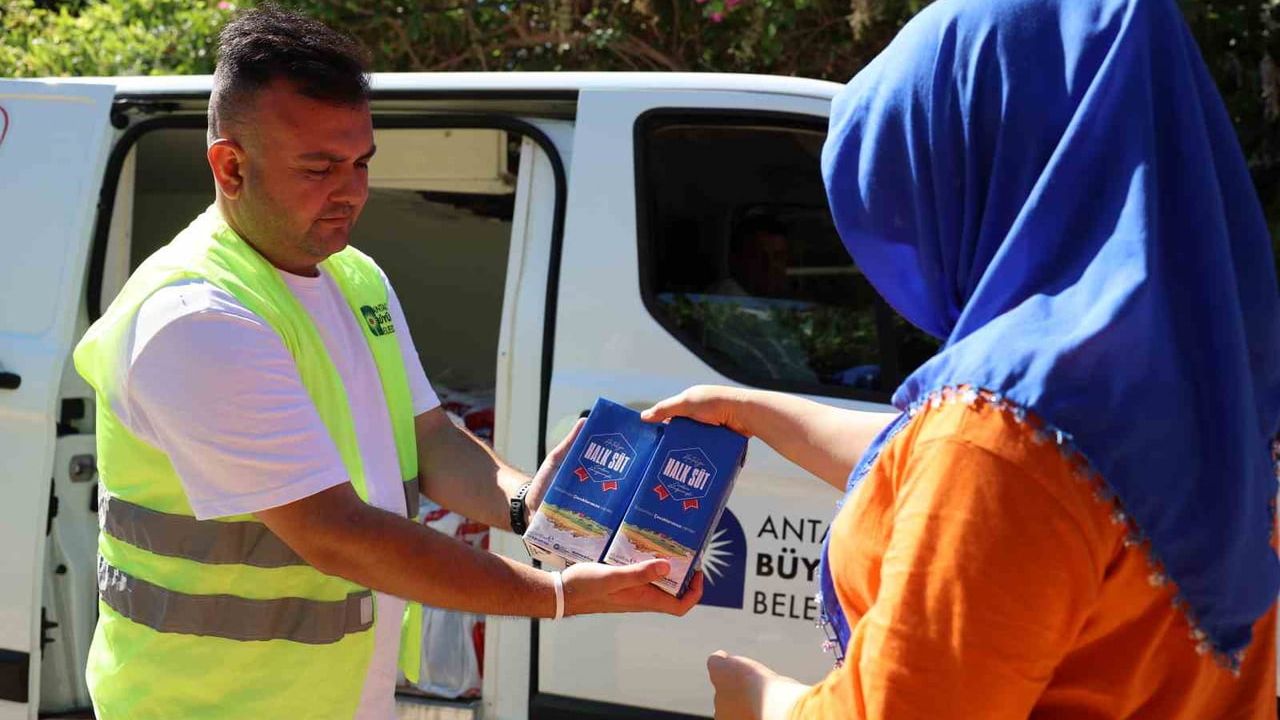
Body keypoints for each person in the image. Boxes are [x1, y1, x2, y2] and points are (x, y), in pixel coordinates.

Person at [644, 0, 1280, 716]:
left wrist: (762, 699)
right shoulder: (1202, 387)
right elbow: (954, 466)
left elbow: (993, 467)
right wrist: (754, 410)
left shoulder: (1003, 427)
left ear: (979, 157)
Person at [74, 7, 700, 719]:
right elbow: (340, 535)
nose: (351, 191)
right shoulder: (197, 319)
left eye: (362, 162)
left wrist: (527, 505)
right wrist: (555, 595)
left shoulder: (353, 276)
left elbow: (428, 436)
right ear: (231, 165)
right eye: (320, 168)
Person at [709, 216, 790, 298]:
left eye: (779, 257)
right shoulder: (728, 298)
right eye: (759, 257)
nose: (770, 265)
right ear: (737, 261)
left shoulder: (773, 300)